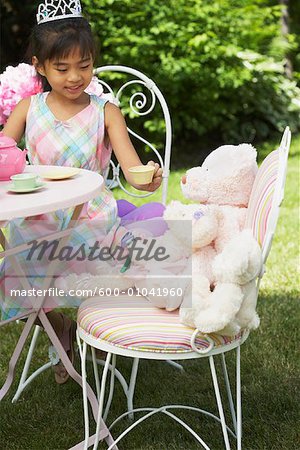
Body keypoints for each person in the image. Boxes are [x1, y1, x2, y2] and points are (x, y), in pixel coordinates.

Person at [1, 0, 165, 383]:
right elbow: (4, 156)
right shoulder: (28, 108)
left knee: (60, 265)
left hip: (88, 219)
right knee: (14, 280)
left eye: (85, 65)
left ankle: (87, 330)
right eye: (62, 68)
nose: (75, 77)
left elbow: (132, 168)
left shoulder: (105, 111)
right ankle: (60, 327)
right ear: (40, 65)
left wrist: (148, 177)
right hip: (37, 216)